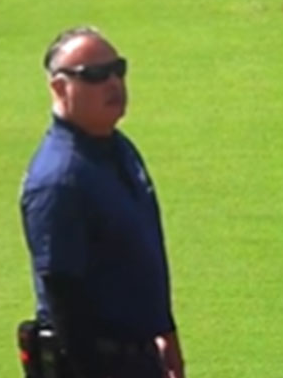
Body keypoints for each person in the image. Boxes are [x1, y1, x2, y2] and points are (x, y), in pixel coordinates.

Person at [19, 26, 185, 378]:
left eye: (118, 70)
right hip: (95, 365)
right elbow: (64, 297)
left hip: (138, 357)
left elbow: (144, 256)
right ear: (60, 88)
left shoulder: (117, 147)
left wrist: (165, 334)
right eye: (95, 75)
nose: (113, 83)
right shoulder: (59, 179)